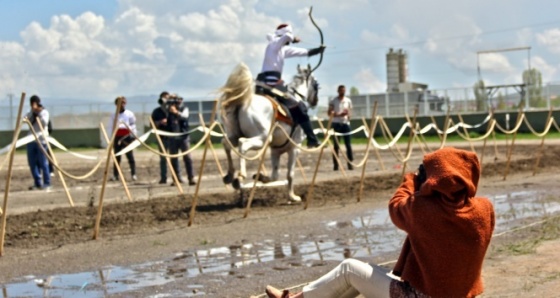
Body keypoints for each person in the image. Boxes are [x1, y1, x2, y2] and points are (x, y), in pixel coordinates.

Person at [265, 147, 496, 298]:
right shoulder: (485, 209)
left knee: (348, 269)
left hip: (419, 296)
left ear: (437, 180)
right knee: (363, 275)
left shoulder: (424, 209)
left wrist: (411, 180)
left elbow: (396, 205)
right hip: (462, 294)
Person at [257, 23, 325, 148]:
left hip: (267, 82)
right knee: (300, 107)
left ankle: (310, 138)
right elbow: (287, 36)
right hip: (271, 85)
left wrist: (318, 50)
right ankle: (311, 139)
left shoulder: (281, 48)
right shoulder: (274, 44)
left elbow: (303, 52)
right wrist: (293, 38)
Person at [165, 95, 197, 185]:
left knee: (187, 158)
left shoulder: (184, 108)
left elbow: (184, 117)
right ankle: (176, 178)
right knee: (173, 159)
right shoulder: (168, 110)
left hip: (184, 137)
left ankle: (191, 178)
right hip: (173, 138)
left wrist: (176, 112)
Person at [24, 95, 51, 191]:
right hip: (31, 139)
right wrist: (33, 113)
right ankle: (37, 182)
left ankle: (47, 183)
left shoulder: (44, 112)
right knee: (32, 163)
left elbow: (44, 123)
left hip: (41, 140)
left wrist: (38, 113)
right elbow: (26, 120)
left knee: (43, 162)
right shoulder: (30, 112)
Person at [108, 96, 137, 181]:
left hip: (127, 137)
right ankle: (116, 175)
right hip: (117, 137)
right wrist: (111, 138)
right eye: (120, 103)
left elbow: (133, 125)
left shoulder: (129, 114)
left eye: (124, 102)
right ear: (116, 104)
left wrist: (134, 136)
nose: (122, 104)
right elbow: (110, 127)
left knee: (130, 156)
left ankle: (133, 174)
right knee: (117, 157)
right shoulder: (113, 115)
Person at [328, 85, 354, 171]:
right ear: (338, 91)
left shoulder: (348, 101)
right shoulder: (333, 101)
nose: (342, 92)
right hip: (336, 124)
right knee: (336, 145)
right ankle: (335, 165)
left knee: (348, 145)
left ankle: (350, 163)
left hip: (346, 124)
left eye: (344, 90)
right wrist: (339, 114)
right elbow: (329, 112)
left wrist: (348, 115)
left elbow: (350, 112)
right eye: (341, 90)